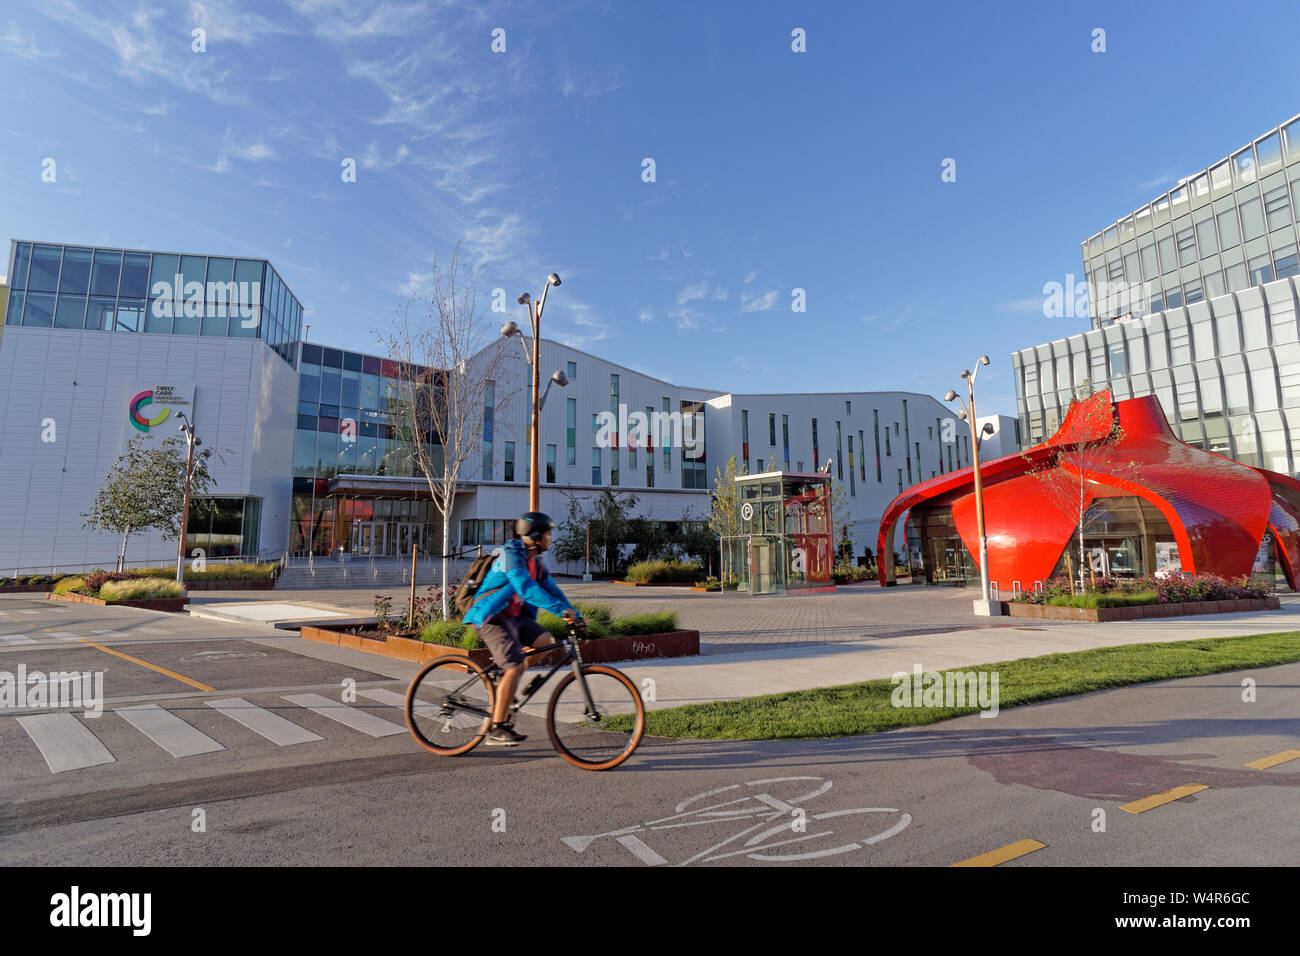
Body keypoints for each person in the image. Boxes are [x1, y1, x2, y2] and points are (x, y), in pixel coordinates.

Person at [462, 511, 582, 745]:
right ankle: (496, 729)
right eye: (548, 533)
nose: (551, 538)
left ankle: (508, 681)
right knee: (515, 665)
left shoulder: (535, 562)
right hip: (491, 617)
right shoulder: (512, 555)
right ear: (536, 536)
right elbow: (525, 588)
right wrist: (560, 611)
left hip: (515, 617)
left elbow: (552, 590)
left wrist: (574, 613)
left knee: (547, 643)